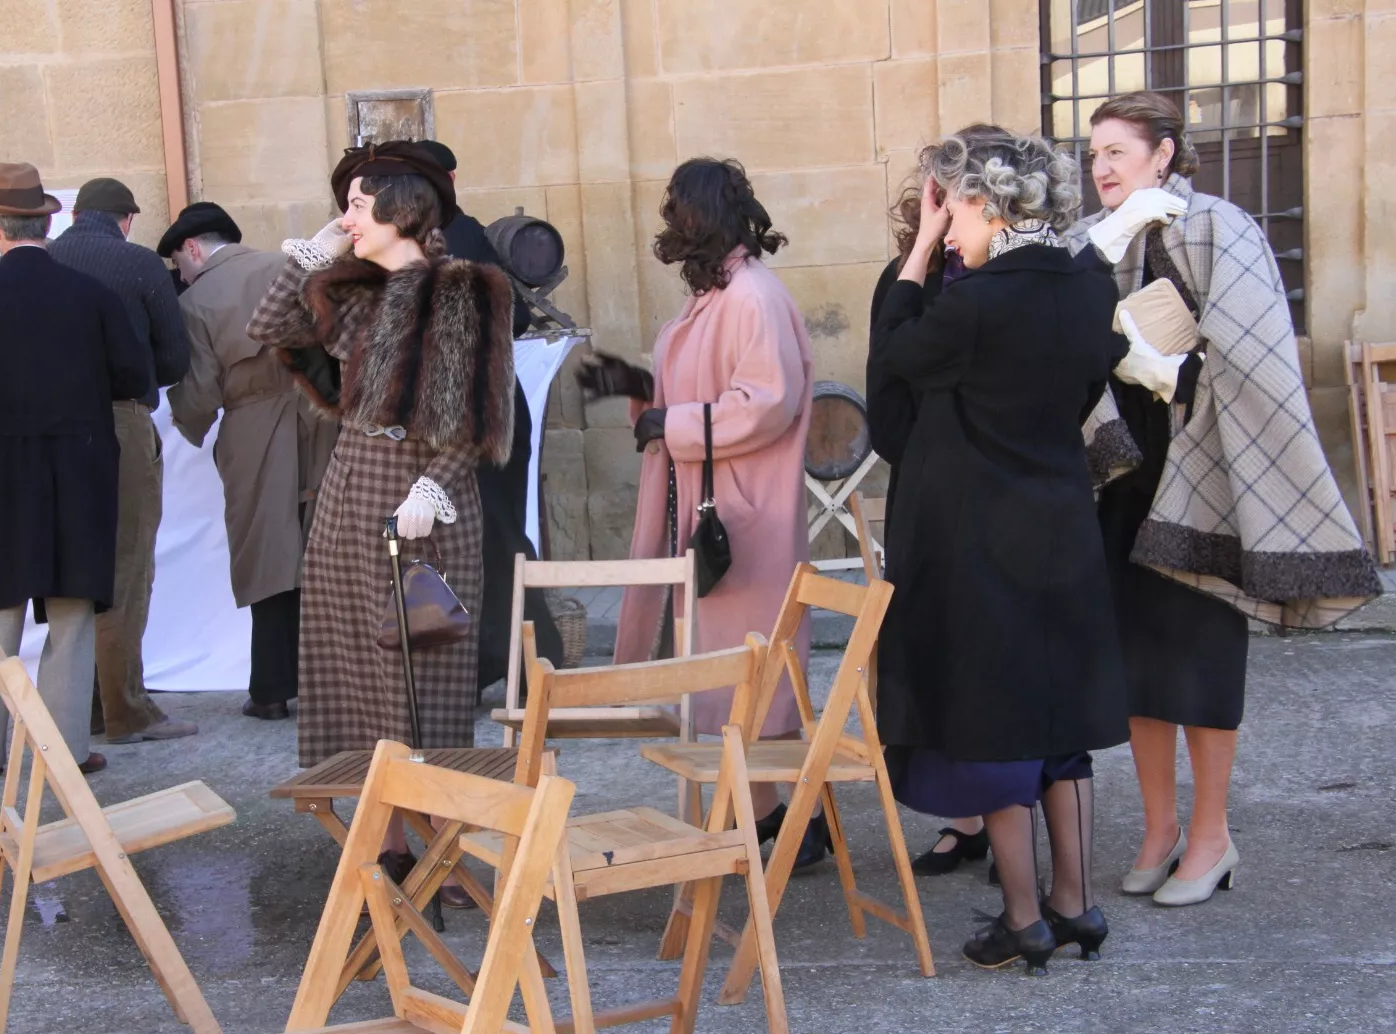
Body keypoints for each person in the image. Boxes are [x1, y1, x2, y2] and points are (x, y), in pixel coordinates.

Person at [1067, 92, 1382, 907]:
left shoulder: (1219, 227)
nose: (1100, 166)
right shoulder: (1091, 242)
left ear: (1163, 153)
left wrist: (1171, 373)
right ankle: (1159, 828)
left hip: (1209, 463)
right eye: (1094, 152)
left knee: (1200, 659)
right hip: (1124, 470)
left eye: (1116, 150)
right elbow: (1060, 339)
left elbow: (1261, 358)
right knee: (1135, 663)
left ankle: (1211, 836)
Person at [867, 129, 1127, 974]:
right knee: (1058, 722)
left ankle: (1024, 917)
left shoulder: (975, 302)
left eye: (954, 210)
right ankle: (1076, 903)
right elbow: (1091, 381)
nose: (950, 229)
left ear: (982, 203)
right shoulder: (1089, 284)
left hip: (984, 537)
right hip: (1061, 519)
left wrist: (919, 254)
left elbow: (896, 353)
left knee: (998, 727)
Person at [248, 142, 516, 906]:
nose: (347, 217)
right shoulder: (356, 291)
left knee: (420, 669)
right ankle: (387, 845)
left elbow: (473, 414)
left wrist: (434, 488)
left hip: (420, 497)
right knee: (356, 673)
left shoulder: (463, 291)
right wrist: (319, 251)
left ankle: (446, 850)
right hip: (350, 491)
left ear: (403, 209)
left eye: (359, 206)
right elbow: (272, 326)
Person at [601, 158, 820, 862]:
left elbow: (765, 401)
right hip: (709, 502)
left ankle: (786, 822)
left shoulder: (750, 294)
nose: (668, 220)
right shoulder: (719, 293)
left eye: (675, 209)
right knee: (734, 674)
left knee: (752, 677)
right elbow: (704, 384)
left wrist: (673, 423)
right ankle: (773, 820)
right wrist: (642, 392)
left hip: (741, 511)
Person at [0, 162, 150, 777]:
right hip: (81, 461)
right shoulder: (91, 295)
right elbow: (134, 375)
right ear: (47, 223)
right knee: (74, 610)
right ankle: (67, 750)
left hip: (3, 465)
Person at [161, 202, 337, 721]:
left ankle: (272, 688)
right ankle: (334, 685)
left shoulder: (197, 301)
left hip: (254, 431)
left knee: (268, 556)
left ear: (192, 249)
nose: (181, 274)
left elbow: (198, 393)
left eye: (179, 262)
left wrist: (179, 420)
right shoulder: (293, 268)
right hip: (325, 418)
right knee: (329, 548)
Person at [868, 151, 991, 883]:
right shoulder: (904, 282)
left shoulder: (1009, 281)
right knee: (940, 660)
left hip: (1002, 502)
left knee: (998, 665)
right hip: (931, 501)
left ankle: (1010, 816)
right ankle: (968, 817)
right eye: (931, 193)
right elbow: (888, 409)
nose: (938, 206)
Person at [50, 177, 196, 744]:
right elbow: (174, 357)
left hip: (53, 429)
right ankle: (126, 710)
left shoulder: (45, 260)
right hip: (119, 421)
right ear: (127, 219)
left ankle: (79, 706)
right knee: (127, 565)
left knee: (74, 568)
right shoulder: (138, 265)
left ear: (74, 214)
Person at [412, 138, 564, 687]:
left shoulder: (460, 235)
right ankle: (499, 661)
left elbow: (515, 316)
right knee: (481, 538)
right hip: (477, 409)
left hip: (484, 411)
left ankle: (534, 662)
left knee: (495, 536)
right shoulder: (454, 233)